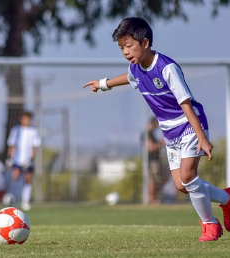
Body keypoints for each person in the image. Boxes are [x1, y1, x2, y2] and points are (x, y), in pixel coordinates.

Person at [82, 17, 230, 242]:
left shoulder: (166, 67)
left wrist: (202, 137)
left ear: (145, 43)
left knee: (189, 177)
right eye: (121, 47)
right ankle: (227, 200)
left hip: (190, 124)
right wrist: (103, 84)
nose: (125, 51)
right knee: (182, 185)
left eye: (129, 46)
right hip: (169, 133)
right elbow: (129, 78)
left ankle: (210, 225)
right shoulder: (135, 67)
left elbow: (185, 103)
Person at [7, 111, 41, 211]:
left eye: (28, 119)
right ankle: (14, 199)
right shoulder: (15, 130)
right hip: (17, 159)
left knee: (27, 180)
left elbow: (34, 146)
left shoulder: (33, 131)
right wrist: (9, 157)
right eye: (25, 118)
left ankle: (25, 201)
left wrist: (31, 159)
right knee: (15, 178)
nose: (26, 121)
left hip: (27, 160)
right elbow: (12, 144)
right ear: (21, 119)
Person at [146, 116, 167, 204]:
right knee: (153, 179)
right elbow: (150, 147)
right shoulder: (147, 133)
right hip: (152, 161)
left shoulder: (152, 133)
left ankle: (155, 196)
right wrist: (161, 144)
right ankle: (151, 199)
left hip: (157, 160)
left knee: (164, 177)